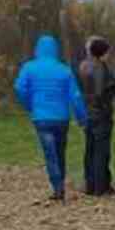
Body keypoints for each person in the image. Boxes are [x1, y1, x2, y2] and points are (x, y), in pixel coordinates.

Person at [12, 32, 88, 203]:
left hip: (41, 117)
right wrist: (81, 118)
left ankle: (57, 186)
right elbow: (75, 96)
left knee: (50, 153)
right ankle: (60, 183)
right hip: (61, 118)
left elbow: (19, 88)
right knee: (60, 152)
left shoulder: (29, 68)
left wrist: (29, 104)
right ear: (55, 50)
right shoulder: (64, 70)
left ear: (37, 49)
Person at [78, 34, 115, 197]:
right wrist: (106, 104)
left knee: (90, 150)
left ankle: (90, 183)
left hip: (88, 112)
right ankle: (101, 186)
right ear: (102, 52)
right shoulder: (100, 67)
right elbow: (100, 92)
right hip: (100, 113)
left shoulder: (83, 66)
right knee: (102, 151)